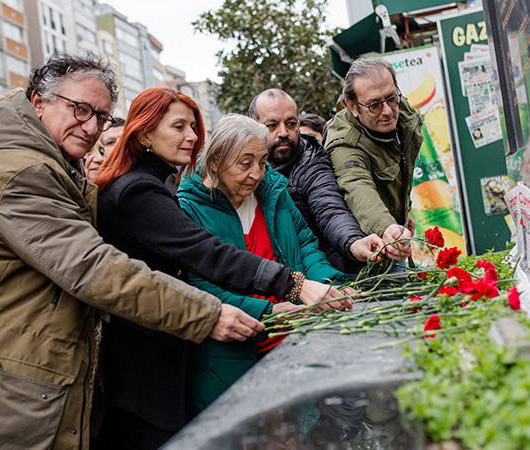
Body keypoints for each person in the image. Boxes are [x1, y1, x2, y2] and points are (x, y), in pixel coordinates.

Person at [0, 54, 263, 450]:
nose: (91, 127)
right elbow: (92, 269)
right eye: (80, 109)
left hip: (5, 370)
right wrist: (207, 314)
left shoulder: (44, 163)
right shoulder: (21, 172)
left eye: (101, 116)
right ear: (38, 101)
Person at [93, 88, 348, 448]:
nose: (191, 136)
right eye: (178, 127)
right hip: (153, 361)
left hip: (258, 345)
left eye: (192, 127)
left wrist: (325, 284)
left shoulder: (159, 183)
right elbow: (206, 258)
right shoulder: (143, 192)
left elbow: (305, 243)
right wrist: (290, 289)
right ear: (145, 133)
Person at [177, 114, 353, 415]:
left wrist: (327, 286)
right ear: (216, 162)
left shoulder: (273, 192)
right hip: (232, 361)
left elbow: (305, 245)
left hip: (296, 343)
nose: (257, 174)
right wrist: (268, 312)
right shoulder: (189, 208)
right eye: (245, 164)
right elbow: (200, 286)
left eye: (262, 161)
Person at [249, 89, 384, 271]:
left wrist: (353, 242)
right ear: (253, 127)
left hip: (324, 270)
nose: (283, 132)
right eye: (272, 125)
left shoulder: (312, 161)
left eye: (290, 124)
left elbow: (329, 210)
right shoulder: (242, 169)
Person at [324, 58, 423, 263]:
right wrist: (386, 226)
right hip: (366, 254)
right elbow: (356, 186)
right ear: (352, 106)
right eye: (374, 105)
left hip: (396, 234)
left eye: (391, 98)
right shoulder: (345, 143)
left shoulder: (403, 114)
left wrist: (402, 211)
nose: (387, 111)